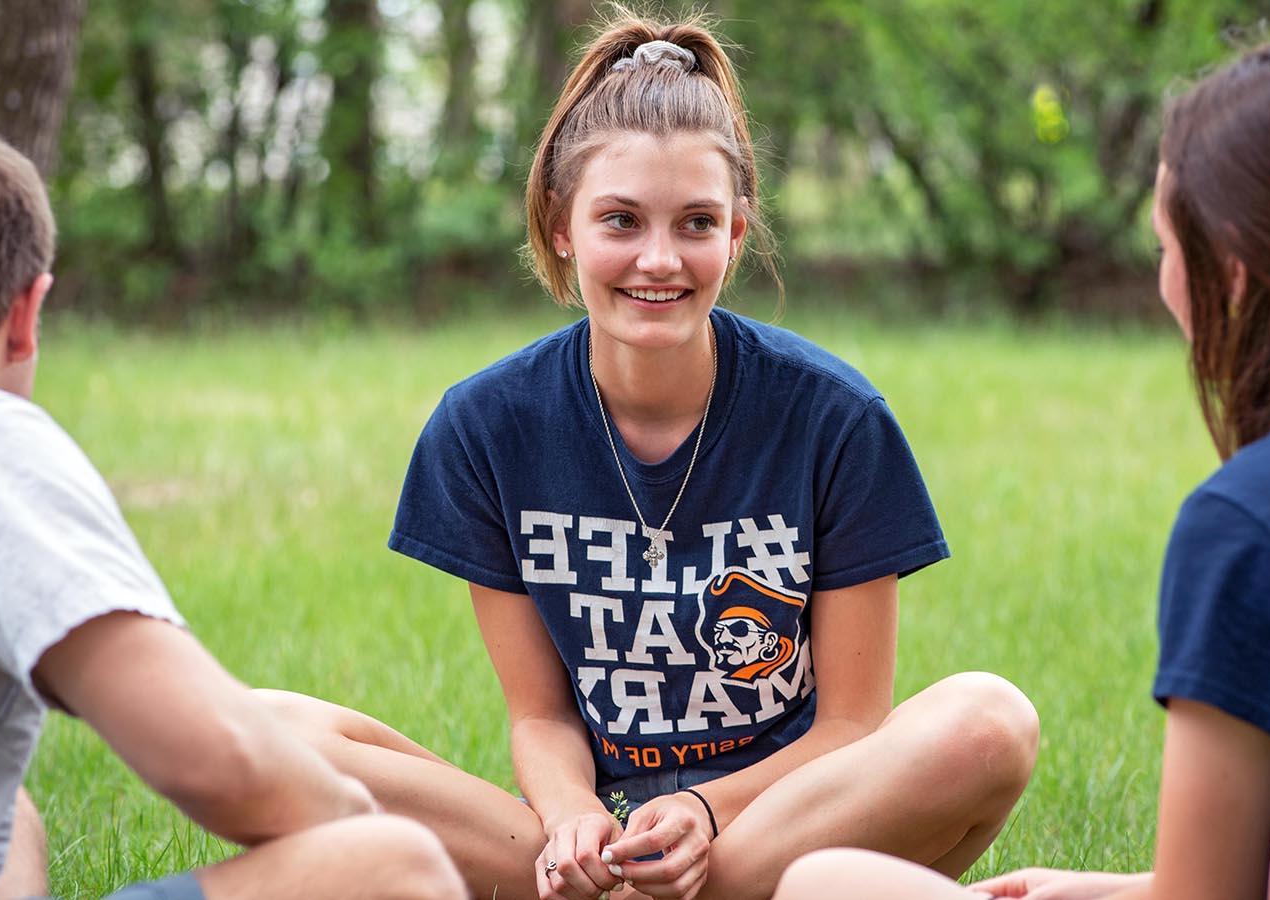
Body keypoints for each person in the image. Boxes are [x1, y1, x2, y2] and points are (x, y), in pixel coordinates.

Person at [257, 10, 1039, 900]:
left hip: (774, 824)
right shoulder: (486, 427)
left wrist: (707, 814)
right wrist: (571, 821)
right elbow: (541, 715)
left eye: (696, 223)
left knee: (988, 720)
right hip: (576, 844)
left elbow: (851, 729)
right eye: (621, 220)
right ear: (560, 226)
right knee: (261, 729)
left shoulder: (836, 420)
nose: (659, 260)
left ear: (737, 233)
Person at [771, 39, 1270, 900]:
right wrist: (1112, 892)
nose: (1166, 284)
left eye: (1167, 250)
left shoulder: (1255, 522)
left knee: (828, 884)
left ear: (1232, 273)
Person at [0, 117, 469, 900]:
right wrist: (360, 826)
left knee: (3, 807)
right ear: (24, 314)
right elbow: (218, 760)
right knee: (397, 868)